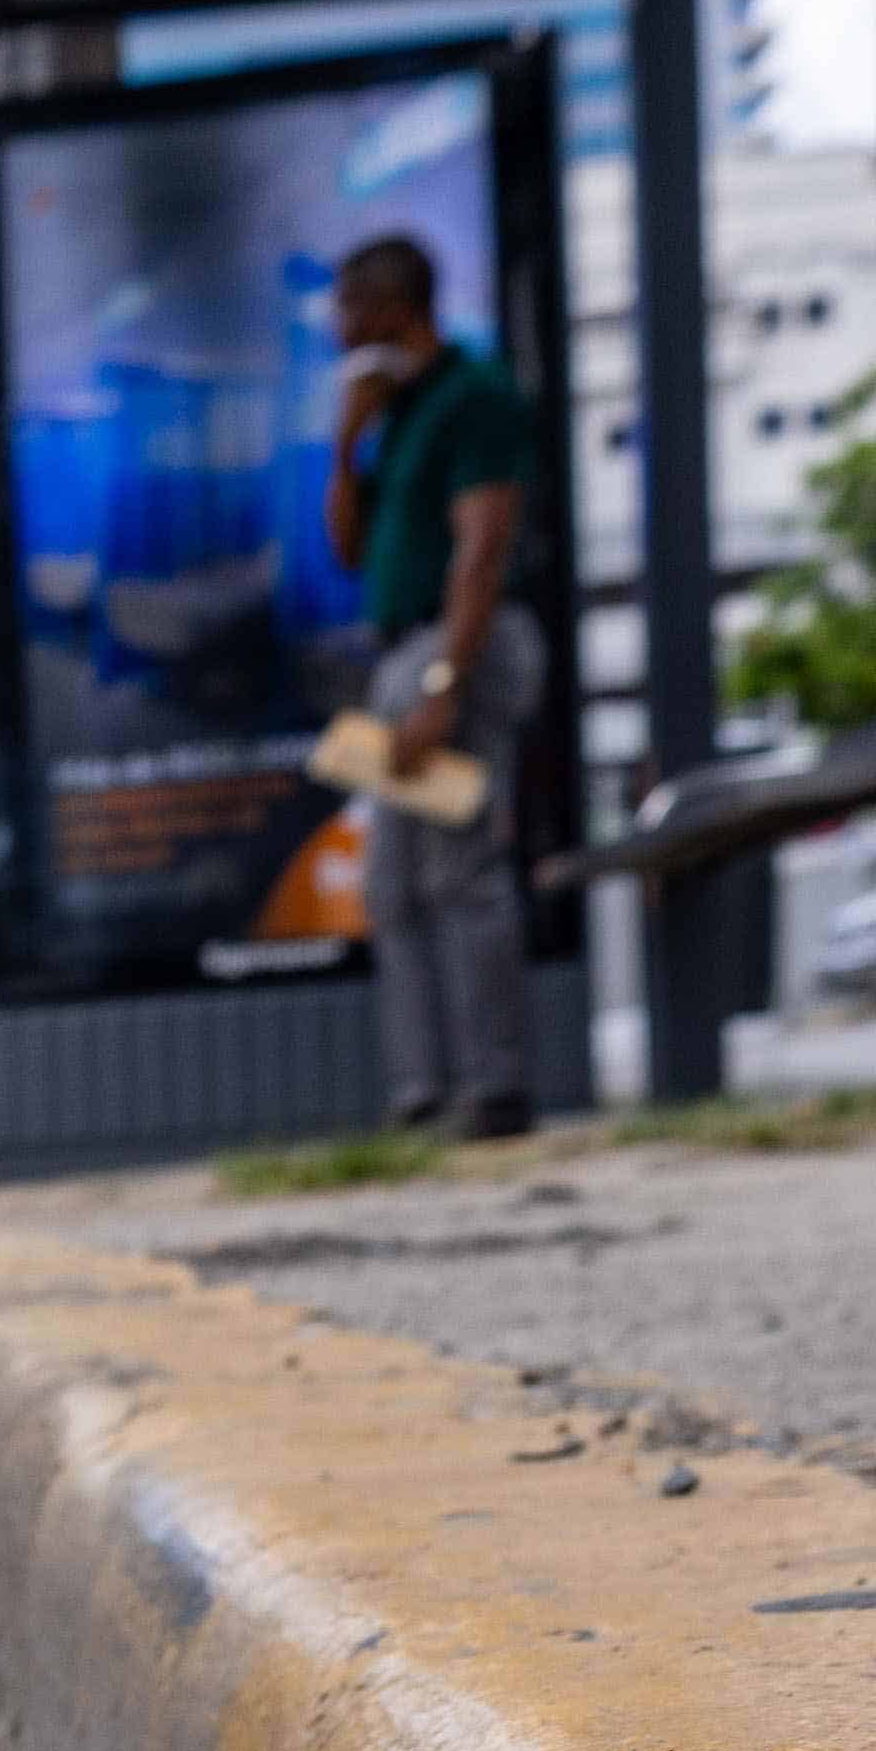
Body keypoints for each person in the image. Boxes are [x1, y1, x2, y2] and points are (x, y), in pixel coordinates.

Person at [321, 231, 540, 1139]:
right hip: (399, 654)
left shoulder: (474, 397)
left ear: (386, 309)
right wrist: (347, 445)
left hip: (457, 650)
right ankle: (422, 1093)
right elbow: (349, 548)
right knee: (392, 889)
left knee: (459, 874)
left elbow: (482, 546)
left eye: (345, 308)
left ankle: (492, 1089)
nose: (335, 327)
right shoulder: (399, 416)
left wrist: (447, 680)